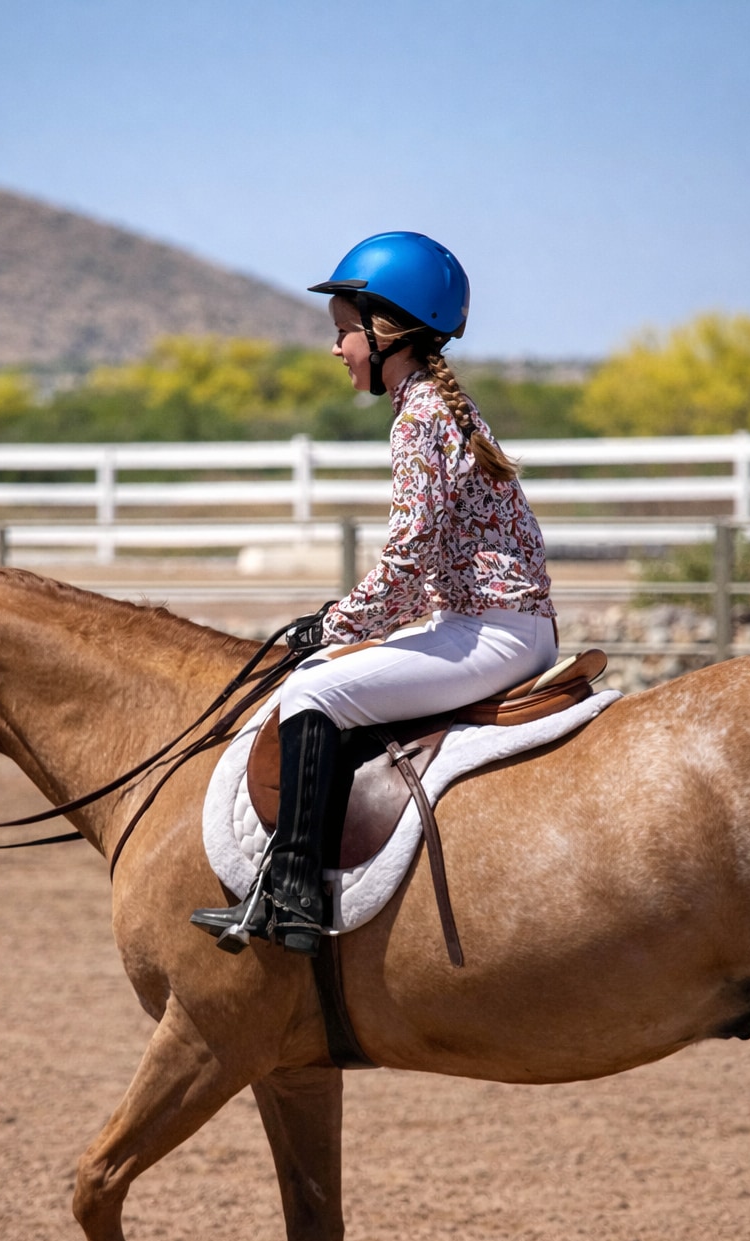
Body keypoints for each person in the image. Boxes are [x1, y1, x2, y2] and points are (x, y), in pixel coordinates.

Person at [191, 231, 558, 958]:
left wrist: (335, 624)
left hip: (488, 631)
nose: (337, 350)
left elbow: (409, 552)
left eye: (342, 333)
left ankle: (292, 892)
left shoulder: (419, 417)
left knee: (310, 693)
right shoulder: (434, 405)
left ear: (385, 332)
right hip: (498, 623)